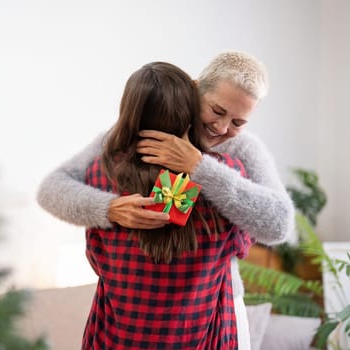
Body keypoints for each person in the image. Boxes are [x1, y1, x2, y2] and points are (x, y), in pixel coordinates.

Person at [36, 51, 295, 349]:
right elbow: (51, 189)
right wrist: (109, 208)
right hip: (135, 311)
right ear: (195, 89)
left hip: (216, 308)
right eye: (217, 110)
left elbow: (279, 225)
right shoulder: (122, 141)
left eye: (238, 121)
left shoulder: (243, 150)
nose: (223, 129)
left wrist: (201, 168)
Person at [81, 61, 246, 349]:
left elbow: (96, 257)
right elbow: (241, 245)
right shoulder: (226, 174)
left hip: (117, 339)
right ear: (190, 114)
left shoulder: (98, 172)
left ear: (128, 113)